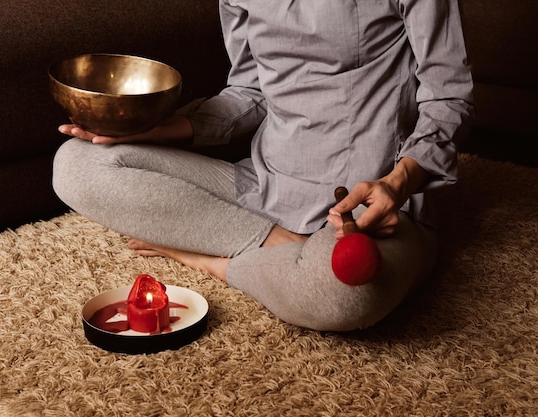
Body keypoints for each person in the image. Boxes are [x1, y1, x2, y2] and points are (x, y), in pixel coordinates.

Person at [53, 0, 474, 331]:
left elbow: (448, 98)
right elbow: (249, 92)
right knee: (76, 163)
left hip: (369, 206)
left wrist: (398, 183)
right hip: (264, 184)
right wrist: (152, 131)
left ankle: (210, 259)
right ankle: (275, 243)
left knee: (345, 295)